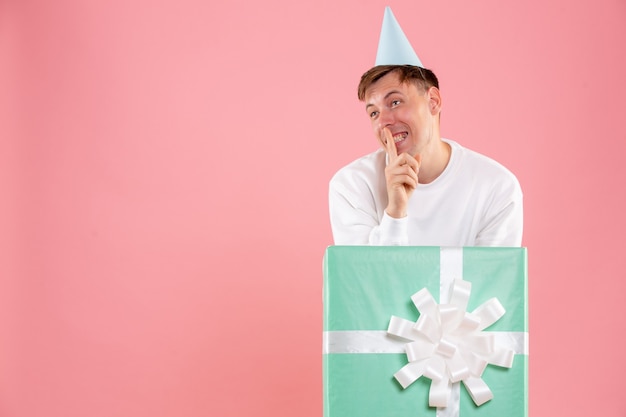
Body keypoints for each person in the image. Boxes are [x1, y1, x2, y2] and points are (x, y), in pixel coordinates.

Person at [329, 8, 523, 246]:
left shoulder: (496, 187)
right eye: (374, 112)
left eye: (395, 102)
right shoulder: (352, 185)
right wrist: (395, 212)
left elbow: (492, 281)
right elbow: (363, 281)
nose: (383, 122)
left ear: (433, 102)